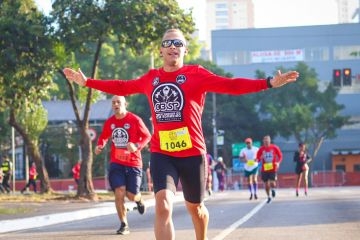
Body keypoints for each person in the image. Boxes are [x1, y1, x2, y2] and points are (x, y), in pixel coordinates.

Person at [63, 28, 298, 240]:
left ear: (185, 49)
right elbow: (122, 86)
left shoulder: (197, 74)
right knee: (163, 205)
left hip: (193, 153)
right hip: (162, 152)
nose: (173, 46)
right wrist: (87, 82)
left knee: (195, 208)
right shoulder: (151, 78)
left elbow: (231, 85)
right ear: (161, 50)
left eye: (178, 43)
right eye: (168, 43)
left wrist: (268, 83)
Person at [94, 95, 151, 235]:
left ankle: (139, 200)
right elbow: (104, 137)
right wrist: (100, 145)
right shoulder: (110, 122)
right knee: (119, 192)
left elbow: (147, 136)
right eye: (113, 102)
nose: (115, 104)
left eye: (118, 102)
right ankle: (124, 224)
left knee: (131, 195)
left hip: (133, 163)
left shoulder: (135, 120)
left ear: (125, 104)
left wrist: (136, 145)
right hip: (117, 162)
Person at [256, 135, 283, 203]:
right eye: (265, 141)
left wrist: (278, 162)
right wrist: (259, 158)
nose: (266, 143)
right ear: (263, 142)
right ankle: (268, 197)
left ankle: (273, 189)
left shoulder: (274, 147)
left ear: (270, 141)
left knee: (272, 183)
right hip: (265, 168)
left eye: (267, 141)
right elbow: (258, 159)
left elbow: (280, 156)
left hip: (273, 167)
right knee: (266, 184)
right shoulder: (261, 149)